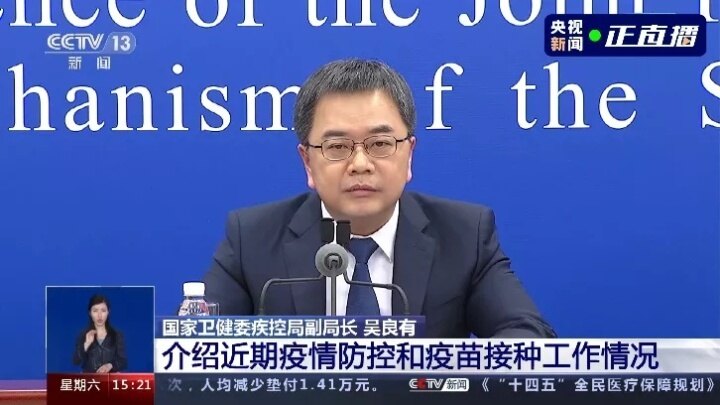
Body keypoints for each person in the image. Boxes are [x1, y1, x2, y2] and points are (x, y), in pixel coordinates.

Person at [203, 58, 556, 338]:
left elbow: (527, 336)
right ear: (307, 161)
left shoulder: (465, 236)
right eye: (337, 147)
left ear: (409, 154)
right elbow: (191, 348)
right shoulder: (252, 239)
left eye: (380, 144)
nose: (360, 164)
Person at [73, 294, 127, 373]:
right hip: (90, 379)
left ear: (108, 312)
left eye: (103, 310)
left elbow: (123, 361)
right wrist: (86, 344)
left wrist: (110, 365)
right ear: (90, 313)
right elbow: (76, 361)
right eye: (95, 311)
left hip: (109, 379)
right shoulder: (83, 335)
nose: (99, 315)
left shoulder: (117, 335)